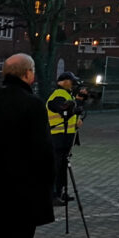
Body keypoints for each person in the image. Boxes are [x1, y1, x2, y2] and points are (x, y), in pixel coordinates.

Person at [0, 53, 55, 238]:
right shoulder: (32, 105)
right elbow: (43, 152)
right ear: (27, 74)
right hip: (22, 192)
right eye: (32, 70)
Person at [47, 71, 84, 206]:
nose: (73, 83)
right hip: (57, 137)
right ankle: (53, 195)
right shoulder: (58, 95)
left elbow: (70, 113)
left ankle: (60, 192)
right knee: (57, 166)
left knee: (63, 166)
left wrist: (78, 117)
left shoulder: (68, 95)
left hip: (66, 137)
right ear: (62, 82)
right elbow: (63, 111)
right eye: (70, 80)